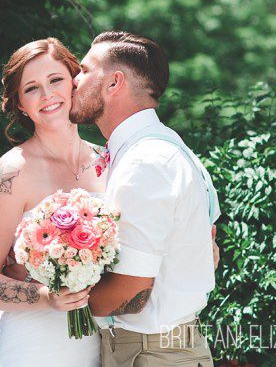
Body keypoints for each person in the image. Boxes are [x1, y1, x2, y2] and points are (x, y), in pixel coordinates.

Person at [70, 31, 219, 367]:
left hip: (151, 354)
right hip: (164, 347)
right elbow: (210, 251)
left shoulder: (144, 162)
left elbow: (132, 294)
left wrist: (59, 299)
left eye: (84, 70)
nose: (73, 81)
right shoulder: (168, 147)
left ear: (113, 84)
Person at [0, 38, 107, 366]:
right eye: (32, 88)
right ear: (20, 104)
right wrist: (47, 297)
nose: (47, 96)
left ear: (75, 82)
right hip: (33, 346)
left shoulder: (107, 161)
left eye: (55, 80)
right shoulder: (12, 174)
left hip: (100, 342)